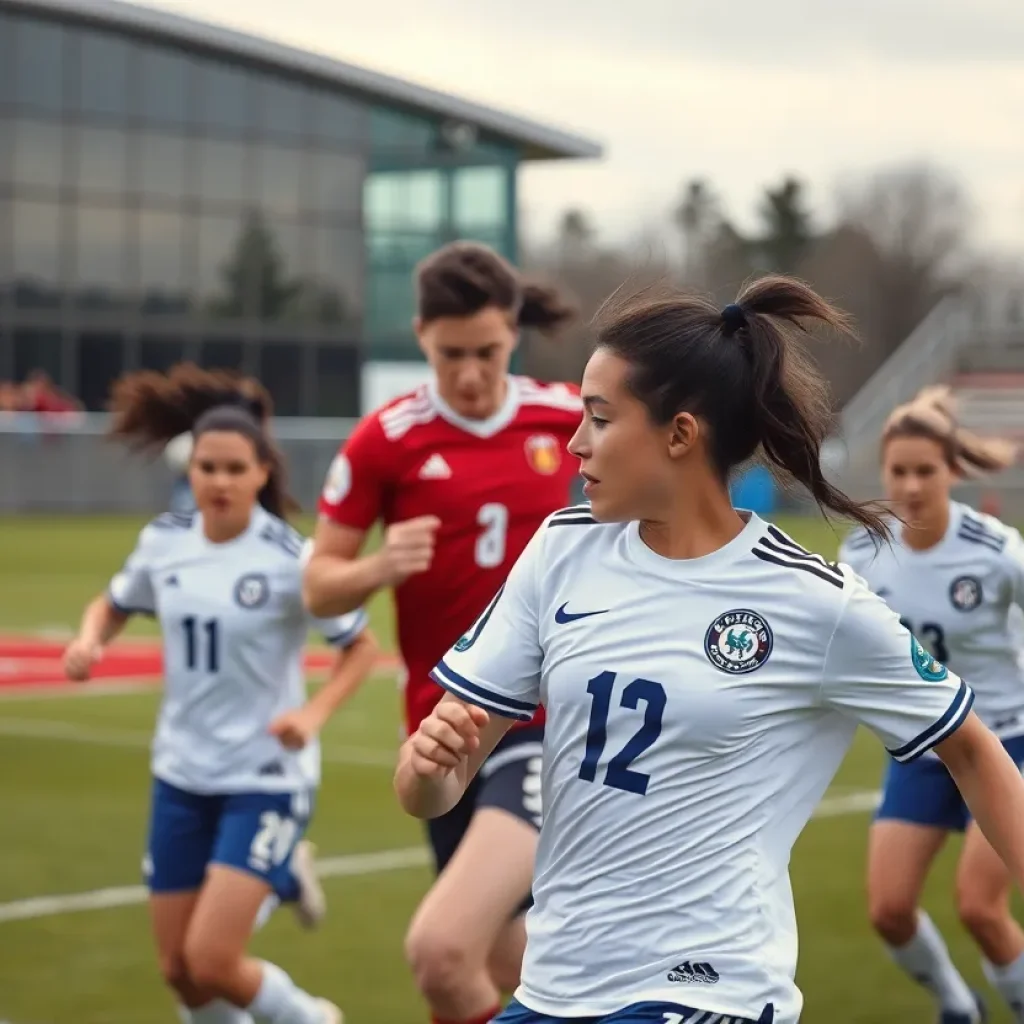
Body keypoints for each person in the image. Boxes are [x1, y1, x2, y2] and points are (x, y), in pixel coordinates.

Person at [394, 276, 1024, 1024]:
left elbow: (974, 750)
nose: (575, 442)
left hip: (707, 990)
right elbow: (429, 788)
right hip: (554, 989)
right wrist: (432, 768)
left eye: (599, 418)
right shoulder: (561, 551)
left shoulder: (815, 602)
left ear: (680, 434)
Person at [304, 241, 580, 1024]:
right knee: (502, 957)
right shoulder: (386, 440)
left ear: (514, 334)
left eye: (488, 352)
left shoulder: (566, 419)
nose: (469, 373)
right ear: (420, 334)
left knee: (442, 949)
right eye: (450, 353)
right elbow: (318, 583)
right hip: (441, 729)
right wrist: (376, 567)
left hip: (542, 720)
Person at [63, 364, 378, 1024]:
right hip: (180, 772)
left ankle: (314, 1019)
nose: (221, 482)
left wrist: (312, 714)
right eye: (208, 468)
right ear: (190, 470)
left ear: (263, 472)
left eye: (236, 469)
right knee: (181, 974)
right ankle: (286, 876)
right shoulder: (164, 542)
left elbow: (361, 649)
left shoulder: (291, 558)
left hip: (264, 777)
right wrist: (92, 639)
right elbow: (114, 602)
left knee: (212, 961)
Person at [839, 385, 1024, 1024]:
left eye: (926, 470)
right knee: (888, 910)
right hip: (925, 746)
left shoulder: (996, 552)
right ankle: (958, 1007)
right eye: (899, 471)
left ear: (951, 471)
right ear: (883, 473)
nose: (913, 486)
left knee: (980, 906)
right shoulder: (861, 554)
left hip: (1008, 740)